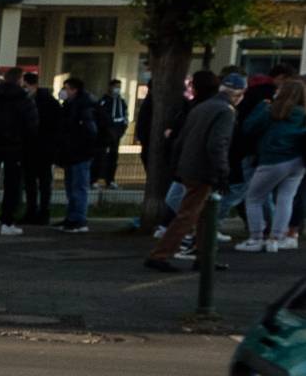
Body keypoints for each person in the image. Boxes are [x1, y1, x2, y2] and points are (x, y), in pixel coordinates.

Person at [149, 70, 237, 272]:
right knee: (190, 215)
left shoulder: (200, 107)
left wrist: (177, 166)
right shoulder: (225, 111)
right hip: (204, 170)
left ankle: (203, 255)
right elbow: (218, 144)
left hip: (190, 167)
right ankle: (161, 254)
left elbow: (182, 139)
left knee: (202, 215)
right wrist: (222, 172)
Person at [238, 73, 306, 253]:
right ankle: (277, 238)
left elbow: (248, 128)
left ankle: (256, 237)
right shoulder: (302, 114)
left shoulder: (271, 110)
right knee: (286, 198)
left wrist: (261, 108)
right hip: (298, 160)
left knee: (254, 197)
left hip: (272, 158)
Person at [0, 68, 37, 235]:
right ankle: (7, 222)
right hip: (15, 148)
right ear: (20, 81)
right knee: (12, 186)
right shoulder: (24, 101)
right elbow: (31, 126)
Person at [54, 76, 101, 233]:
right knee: (72, 187)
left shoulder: (83, 107)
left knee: (78, 187)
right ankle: (72, 217)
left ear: (74, 90)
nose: (64, 91)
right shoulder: (72, 105)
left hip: (80, 153)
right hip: (72, 152)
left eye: (66, 88)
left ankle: (79, 219)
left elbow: (90, 131)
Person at [23, 69, 60, 226]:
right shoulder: (39, 101)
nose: (24, 89)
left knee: (42, 183)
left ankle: (42, 213)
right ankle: (33, 212)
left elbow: (55, 125)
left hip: (42, 149)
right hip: (32, 149)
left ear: (34, 86)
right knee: (31, 183)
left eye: (26, 86)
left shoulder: (46, 103)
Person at [97, 79, 132, 188]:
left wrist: (121, 130)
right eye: (116, 86)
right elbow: (100, 117)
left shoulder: (121, 102)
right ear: (110, 87)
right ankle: (95, 179)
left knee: (113, 157)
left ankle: (110, 179)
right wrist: (107, 129)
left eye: (119, 87)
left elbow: (125, 117)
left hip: (116, 134)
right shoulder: (104, 101)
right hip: (104, 135)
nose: (117, 89)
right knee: (100, 156)